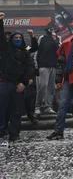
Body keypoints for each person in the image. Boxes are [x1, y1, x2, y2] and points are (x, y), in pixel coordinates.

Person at [0, 13, 35, 143]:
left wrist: (24, 82)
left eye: (19, 37)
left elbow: (30, 66)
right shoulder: (5, 50)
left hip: (19, 85)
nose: (17, 39)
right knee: (2, 108)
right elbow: (1, 39)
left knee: (16, 111)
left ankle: (14, 134)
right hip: (5, 83)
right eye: (15, 37)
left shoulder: (25, 50)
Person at [47, 29, 73, 140]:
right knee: (63, 104)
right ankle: (59, 130)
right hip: (68, 78)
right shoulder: (65, 43)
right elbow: (60, 63)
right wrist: (58, 80)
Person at [36, 26, 60, 115]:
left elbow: (58, 51)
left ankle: (48, 106)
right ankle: (38, 106)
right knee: (43, 86)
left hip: (53, 66)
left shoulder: (58, 39)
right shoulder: (42, 38)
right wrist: (36, 66)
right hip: (43, 65)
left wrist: (55, 40)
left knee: (50, 87)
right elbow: (37, 51)